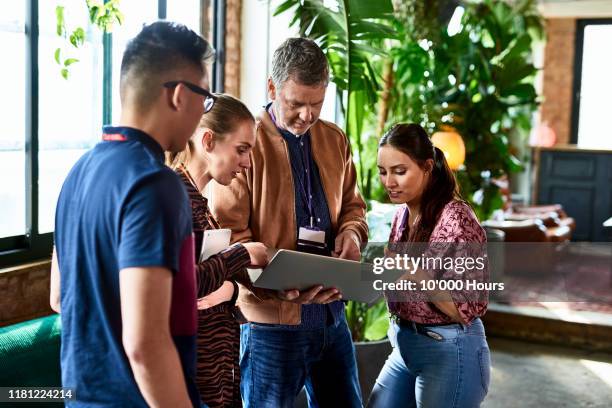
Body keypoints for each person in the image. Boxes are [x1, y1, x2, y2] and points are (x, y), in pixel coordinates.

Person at [50, 21, 214, 407]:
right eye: (203, 97)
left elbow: (59, 296)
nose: (202, 112)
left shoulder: (77, 173)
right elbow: (146, 344)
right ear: (177, 95)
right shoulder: (155, 184)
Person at [210, 37, 368, 407]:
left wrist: (351, 234)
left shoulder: (334, 139)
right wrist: (273, 286)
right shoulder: (245, 144)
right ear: (271, 88)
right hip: (270, 326)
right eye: (296, 103)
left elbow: (353, 207)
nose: (307, 116)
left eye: (317, 104)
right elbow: (230, 234)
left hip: (331, 316)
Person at [368, 123, 491, 408]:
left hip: (450, 349)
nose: (389, 182)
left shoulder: (456, 218)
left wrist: (415, 275)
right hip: (405, 345)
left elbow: (466, 307)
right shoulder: (402, 214)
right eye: (383, 171)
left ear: (426, 167)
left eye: (400, 171)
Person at [166, 94, 269, 408]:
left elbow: (210, 282)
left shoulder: (200, 202)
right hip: (193, 384)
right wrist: (242, 253)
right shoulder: (173, 196)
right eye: (242, 150)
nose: (247, 163)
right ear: (208, 141)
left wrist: (229, 287)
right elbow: (183, 284)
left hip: (218, 379)